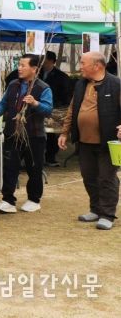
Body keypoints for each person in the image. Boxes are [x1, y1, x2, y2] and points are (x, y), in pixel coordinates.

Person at [59, 52, 120, 230]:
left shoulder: (116, 84)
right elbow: (72, 109)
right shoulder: (81, 84)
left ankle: (107, 215)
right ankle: (96, 209)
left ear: (97, 66)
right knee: (89, 177)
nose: (80, 67)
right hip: (84, 141)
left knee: (106, 178)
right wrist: (64, 133)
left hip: (108, 142)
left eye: (83, 63)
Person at [0, 54, 53, 214]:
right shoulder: (13, 84)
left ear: (34, 69)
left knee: (34, 168)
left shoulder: (43, 88)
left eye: (23, 65)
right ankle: (7, 200)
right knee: (10, 167)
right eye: (19, 65)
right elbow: (3, 104)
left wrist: (35, 103)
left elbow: (48, 110)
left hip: (34, 135)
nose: (19, 68)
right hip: (12, 132)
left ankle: (34, 199)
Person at [41, 51, 71, 167]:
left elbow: (66, 95)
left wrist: (57, 107)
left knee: (51, 133)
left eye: (45, 61)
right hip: (39, 107)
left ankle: (50, 157)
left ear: (52, 61)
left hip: (55, 109)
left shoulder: (61, 77)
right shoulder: (38, 73)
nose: (43, 63)